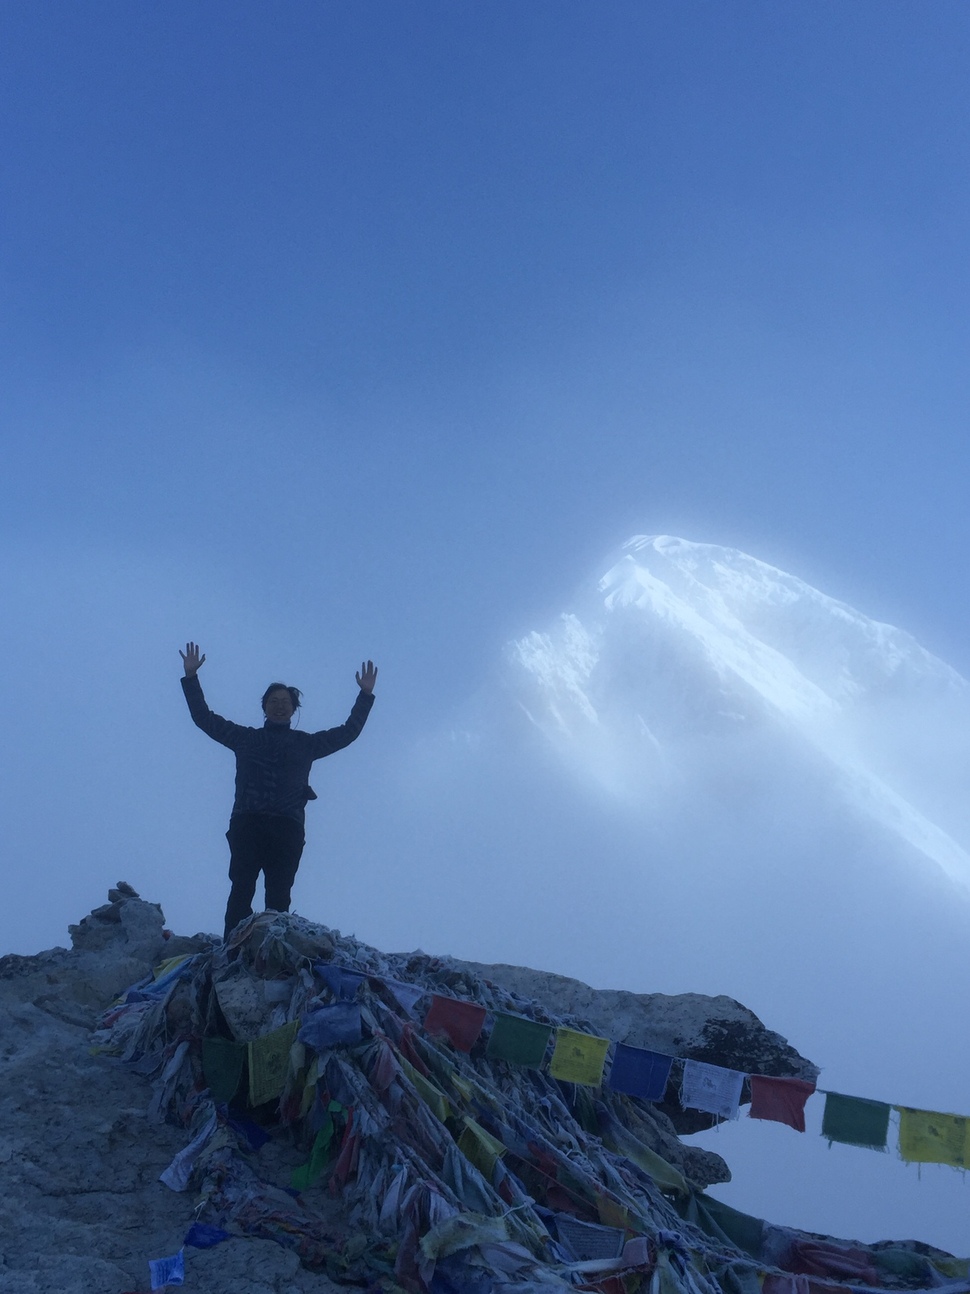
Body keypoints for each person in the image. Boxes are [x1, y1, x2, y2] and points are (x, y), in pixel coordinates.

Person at [179, 642, 377, 940]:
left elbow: (348, 732)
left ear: (294, 710)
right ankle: (232, 948)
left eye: (285, 701)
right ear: (264, 707)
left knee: (279, 895)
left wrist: (365, 695)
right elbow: (204, 718)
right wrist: (191, 678)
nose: (280, 704)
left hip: (287, 826)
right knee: (241, 888)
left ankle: (273, 951)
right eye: (274, 700)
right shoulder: (245, 738)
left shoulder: (306, 743)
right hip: (248, 821)